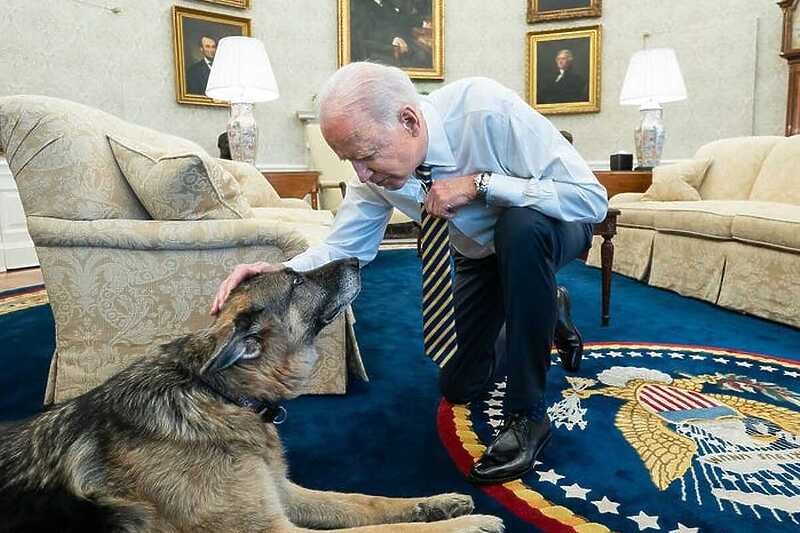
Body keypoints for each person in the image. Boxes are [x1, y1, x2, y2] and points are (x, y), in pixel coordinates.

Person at [211, 62, 607, 484]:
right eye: (350, 161)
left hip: (552, 228)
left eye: (365, 157)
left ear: (409, 120)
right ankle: (549, 308)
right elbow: (347, 248)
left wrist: (483, 184)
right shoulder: (374, 173)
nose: (361, 175)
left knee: (520, 228)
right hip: (480, 255)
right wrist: (281, 271)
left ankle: (526, 415)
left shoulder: (487, 111)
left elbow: (591, 200)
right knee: (459, 386)